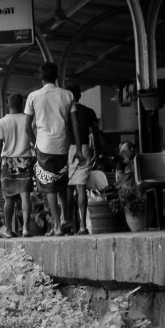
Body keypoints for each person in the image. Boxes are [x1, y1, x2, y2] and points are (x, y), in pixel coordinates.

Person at [25, 62, 82, 235]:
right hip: (63, 145)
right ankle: (65, 218)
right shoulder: (68, 95)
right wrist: (78, 148)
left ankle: (57, 226)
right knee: (62, 183)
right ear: (56, 76)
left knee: (49, 186)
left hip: (44, 146)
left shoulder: (33, 96)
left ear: (41, 77)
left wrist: (35, 145)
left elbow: (27, 126)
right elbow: (75, 124)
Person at [0, 93, 36, 238]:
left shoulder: (2, 122)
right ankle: (25, 229)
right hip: (25, 160)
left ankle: (9, 230)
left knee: (8, 198)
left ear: (8, 105)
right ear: (22, 105)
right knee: (25, 196)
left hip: (8, 163)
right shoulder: (29, 120)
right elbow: (35, 141)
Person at [66, 84, 102, 235]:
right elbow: (96, 133)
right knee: (80, 188)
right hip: (84, 149)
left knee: (67, 189)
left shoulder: (65, 112)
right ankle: (82, 226)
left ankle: (66, 225)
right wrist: (98, 153)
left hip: (67, 149)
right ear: (79, 95)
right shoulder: (89, 112)